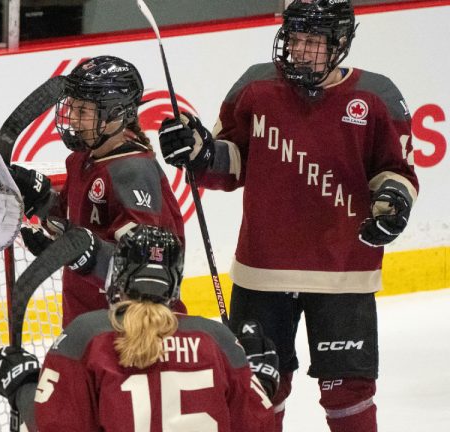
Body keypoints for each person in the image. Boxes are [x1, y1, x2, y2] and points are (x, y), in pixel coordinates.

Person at [157, 1, 419, 431]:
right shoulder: (256, 86)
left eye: (313, 42)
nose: (300, 50)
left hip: (342, 272)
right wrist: (200, 153)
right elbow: (232, 163)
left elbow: (396, 170)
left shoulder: (376, 96)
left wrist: (392, 201)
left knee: (348, 392)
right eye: (294, 39)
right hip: (263, 270)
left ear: (340, 45)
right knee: (259, 387)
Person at [0, 225, 278, 431]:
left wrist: (22, 386)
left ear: (118, 276)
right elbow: (259, 425)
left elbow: (53, 425)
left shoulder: (86, 336)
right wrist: (260, 385)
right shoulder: (218, 341)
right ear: (174, 283)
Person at [9, 55, 186, 327]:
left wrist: (75, 251)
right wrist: (41, 198)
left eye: (83, 111)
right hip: (87, 322)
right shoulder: (83, 159)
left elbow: (145, 265)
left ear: (115, 114)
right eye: (72, 109)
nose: (74, 121)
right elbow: (78, 221)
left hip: (133, 331)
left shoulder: (133, 172)